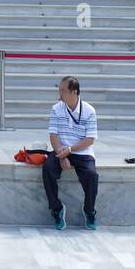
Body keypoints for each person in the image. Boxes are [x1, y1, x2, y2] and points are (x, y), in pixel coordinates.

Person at [43, 76, 99, 230]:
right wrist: (62, 155)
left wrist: (70, 150)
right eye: (59, 89)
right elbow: (53, 136)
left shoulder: (89, 110)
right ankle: (56, 209)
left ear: (74, 92)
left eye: (63, 90)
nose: (60, 93)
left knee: (91, 175)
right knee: (48, 168)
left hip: (82, 151)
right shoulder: (56, 109)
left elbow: (90, 140)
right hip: (60, 150)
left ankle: (89, 211)